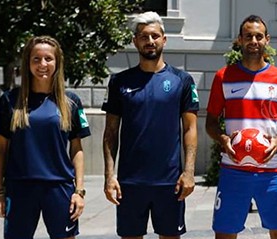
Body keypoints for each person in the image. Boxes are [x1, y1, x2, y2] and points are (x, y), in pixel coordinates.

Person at [102, 11, 199, 239]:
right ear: (135, 41)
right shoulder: (119, 82)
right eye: (144, 36)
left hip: (170, 182)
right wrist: (109, 175)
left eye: (155, 36)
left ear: (164, 39)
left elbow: (190, 129)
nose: (150, 41)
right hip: (130, 182)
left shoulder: (182, 80)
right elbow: (110, 132)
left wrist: (189, 172)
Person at [205, 14, 277, 239]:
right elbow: (210, 123)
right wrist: (223, 139)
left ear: (267, 40)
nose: (253, 41)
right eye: (248, 36)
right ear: (239, 40)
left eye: (259, 36)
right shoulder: (223, 77)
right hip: (233, 168)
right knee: (225, 233)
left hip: (273, 169)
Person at [0, 35, 91, 239]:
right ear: (28, 62)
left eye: (48, 59)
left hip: (59, 187)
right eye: (36, 59)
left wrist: (78, 191)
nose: (42, 64)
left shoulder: (70, 101)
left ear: (57, 63)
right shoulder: (10, 100)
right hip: (20, 188)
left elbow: (76, 149)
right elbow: (0, 149)